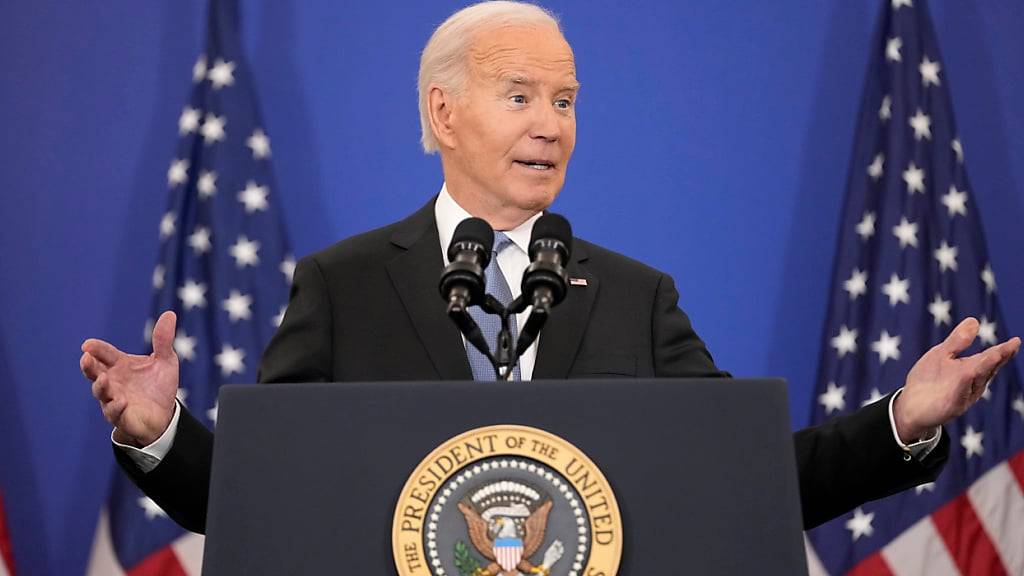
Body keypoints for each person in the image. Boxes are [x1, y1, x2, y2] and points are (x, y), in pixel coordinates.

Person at [81, 1, 1020, 536]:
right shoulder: (344, 284)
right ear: (444, 115)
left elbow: (752, 474)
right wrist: (164, 433)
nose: (551, 123)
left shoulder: (634, 296)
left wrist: (902, 419)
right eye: (521, 94)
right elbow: (264, 495)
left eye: (565, 98)